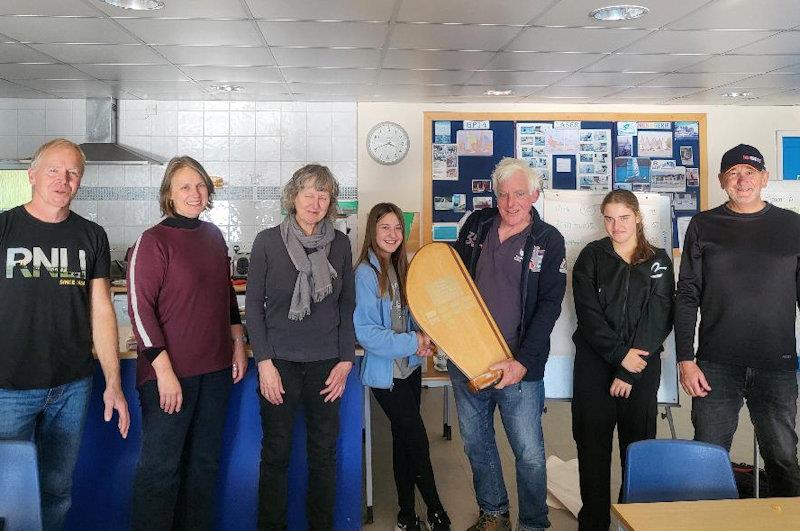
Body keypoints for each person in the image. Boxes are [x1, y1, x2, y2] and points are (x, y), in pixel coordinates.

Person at [0, 138, 130, 530]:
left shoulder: (91, 235)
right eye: (54, 170)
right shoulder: (4, 228)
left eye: (73, 172)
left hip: (71, 387)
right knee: (4, 493)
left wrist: (112, 381)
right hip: (8, 388)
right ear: (32, 175)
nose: (63, 179)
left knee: (57, 490)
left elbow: (102, 309)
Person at [126, 156, 247, 530]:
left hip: (214, 374)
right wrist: (163, 372)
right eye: (185, 186)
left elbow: (224, 295)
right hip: (170, 378)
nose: (195, 193)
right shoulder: (153, 240)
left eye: (200, 186)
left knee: (203, 469)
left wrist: (238, 341)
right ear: (169, 194)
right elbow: (138, 308)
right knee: (161, 472)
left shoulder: (212, 236)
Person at [675, 144, 800, 497]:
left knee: (783, 460)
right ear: (721, 180)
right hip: (716, 366)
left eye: (749, 173)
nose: (742, 180)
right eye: (733, 173)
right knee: (708, 460)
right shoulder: (703, 225)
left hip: (776, 367)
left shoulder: (793, 225)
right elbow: (687, 295)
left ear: (764, 178)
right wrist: (686, 359)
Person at [452, 157, 566, 531]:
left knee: (529, 454)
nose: (511, 202)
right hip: (470, 361)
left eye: (519, 193)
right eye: (503, 195)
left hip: (518, 366)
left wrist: (522, 362)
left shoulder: (548, 240)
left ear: (534, 194)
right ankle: (494, 515)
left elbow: (549, 307)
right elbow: (452, 282)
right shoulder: (477, 225)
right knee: (476, 444)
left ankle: (533, 523)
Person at [246, 164, 355, 530]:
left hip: (327, 366)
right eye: (308, 193)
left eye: (323, 194)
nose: (315, 201)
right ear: (293, 197)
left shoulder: (340, 244)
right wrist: (264, 363)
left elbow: (345, 305)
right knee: (276, 454)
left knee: (323, 456)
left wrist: (345, 360)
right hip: (279, 365)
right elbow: (254, 309)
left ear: (331, 202)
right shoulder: (266, 242)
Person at [571, 190, 674, 530]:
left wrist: (629, 372)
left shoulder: (658, 260)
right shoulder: (591, 257)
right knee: (593, 452)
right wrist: (619, 357)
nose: (617, 226)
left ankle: (632, 523)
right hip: (594, 368)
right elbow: (588, 316)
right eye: (610, 219)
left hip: (641, 370)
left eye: (624, 218)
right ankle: (595, 524)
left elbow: (659, 317)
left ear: (638, 216)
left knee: (637, 450)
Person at [354, 203, 451, 531]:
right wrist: (414, 341)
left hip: (408, 370)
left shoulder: (400, 266)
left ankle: (406, 516)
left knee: (403, 440)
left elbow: (410, 316)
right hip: (387, 375)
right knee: (417, 440)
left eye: (398, 228)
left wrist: (429, 333)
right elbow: (367, 334)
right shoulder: (366, 274)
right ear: (373, 231)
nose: (393, 234)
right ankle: (437, 512)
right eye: (385, 228)